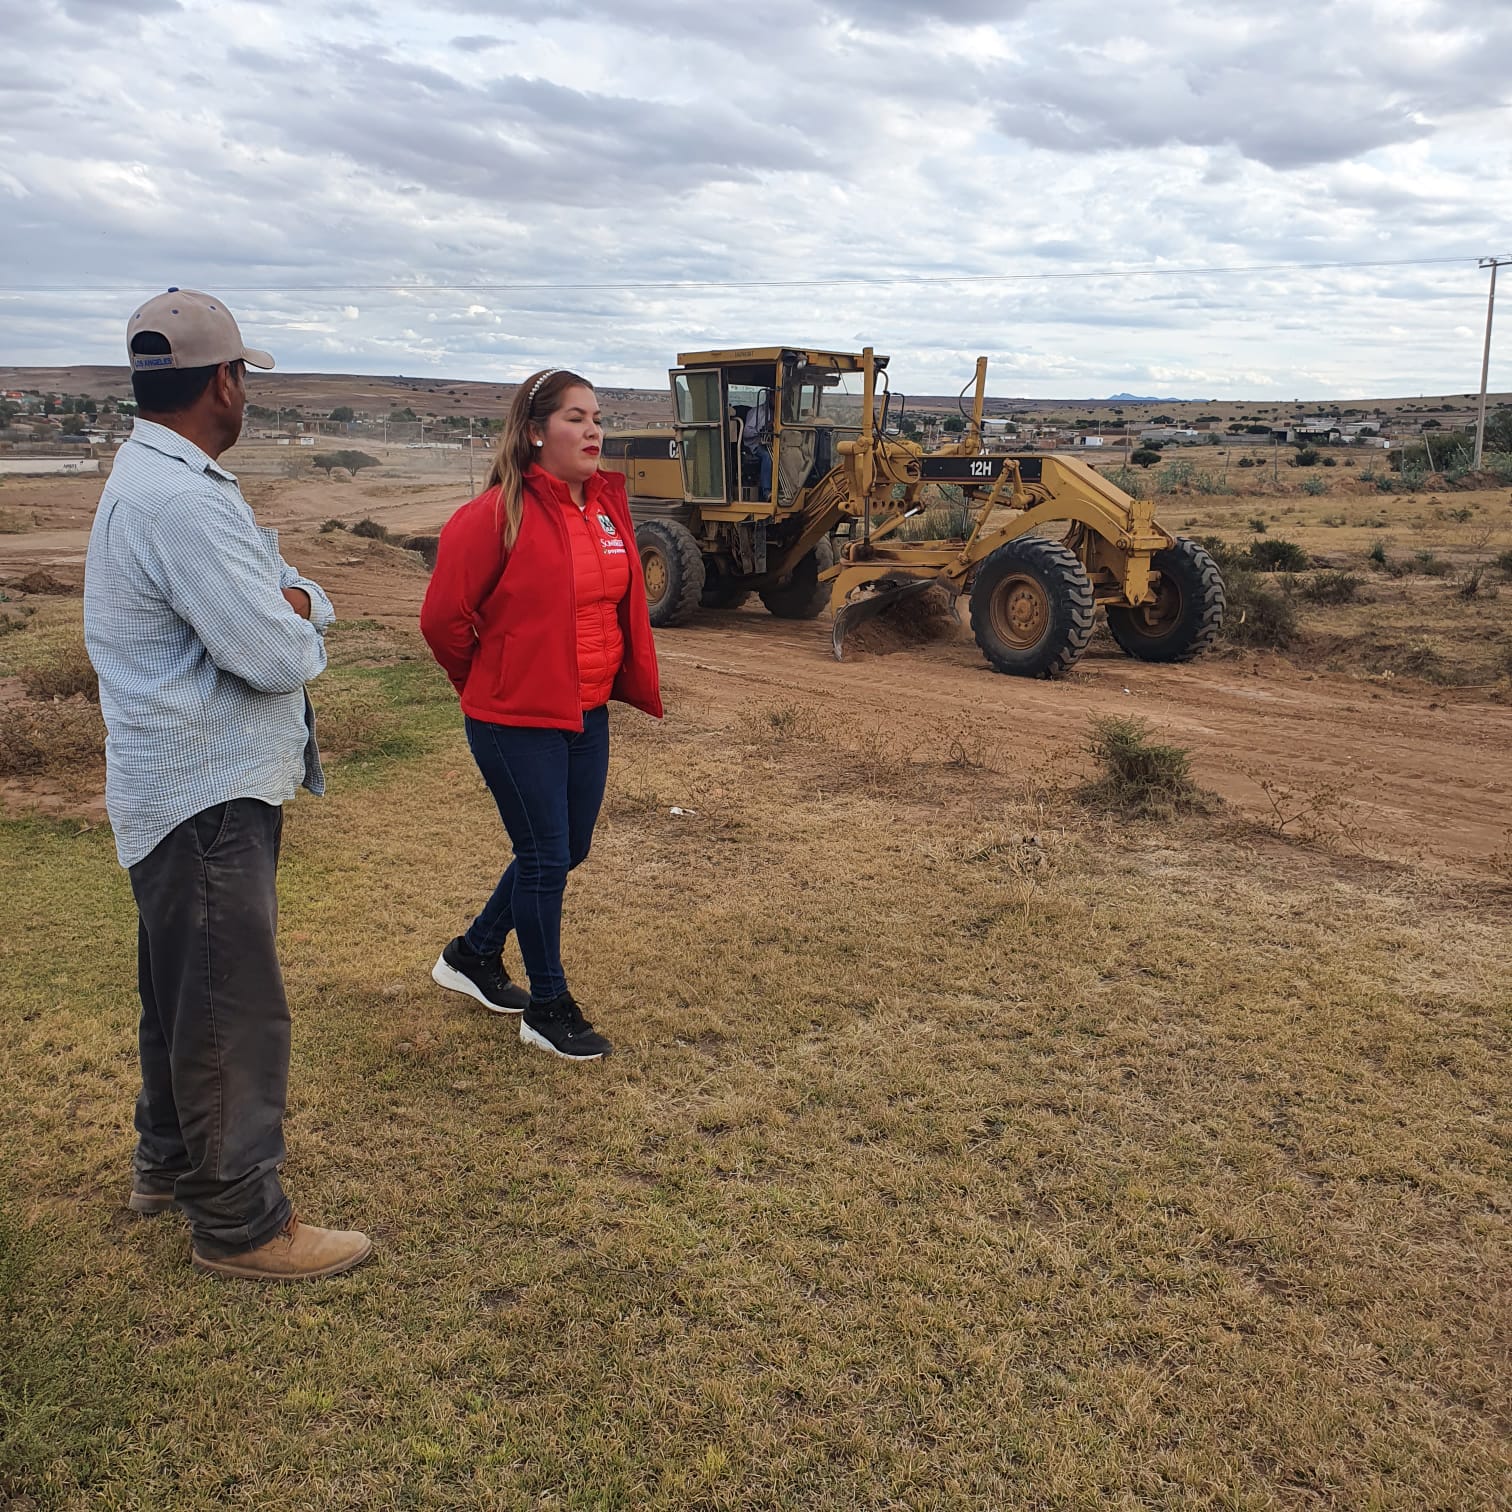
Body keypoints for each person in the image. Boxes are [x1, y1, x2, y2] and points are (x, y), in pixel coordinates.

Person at [83, 289, 370, 1281]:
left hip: (180, 788)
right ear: (223, 381)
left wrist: (293, 600)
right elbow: (274, 651)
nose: (245, 389)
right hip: (204, 797)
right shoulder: (183, 501)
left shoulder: (163, 481)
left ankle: (166, 1165)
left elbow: (295, 589)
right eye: (244, 373)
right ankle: (241, 1223)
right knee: (230, 1005)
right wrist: (292, 613)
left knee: (181, 992)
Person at [420, 369, 662, 1061]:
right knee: (544, 855)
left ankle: (473, 955)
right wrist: (487, 680)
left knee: (565, 849)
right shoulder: (494, 515)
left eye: (597, 417)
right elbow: (443, 620)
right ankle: (547, 1005)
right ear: (534, 432)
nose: (593, 431)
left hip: (585, 711)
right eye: (575, 418)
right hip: (514, 717)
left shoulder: (607, 509)